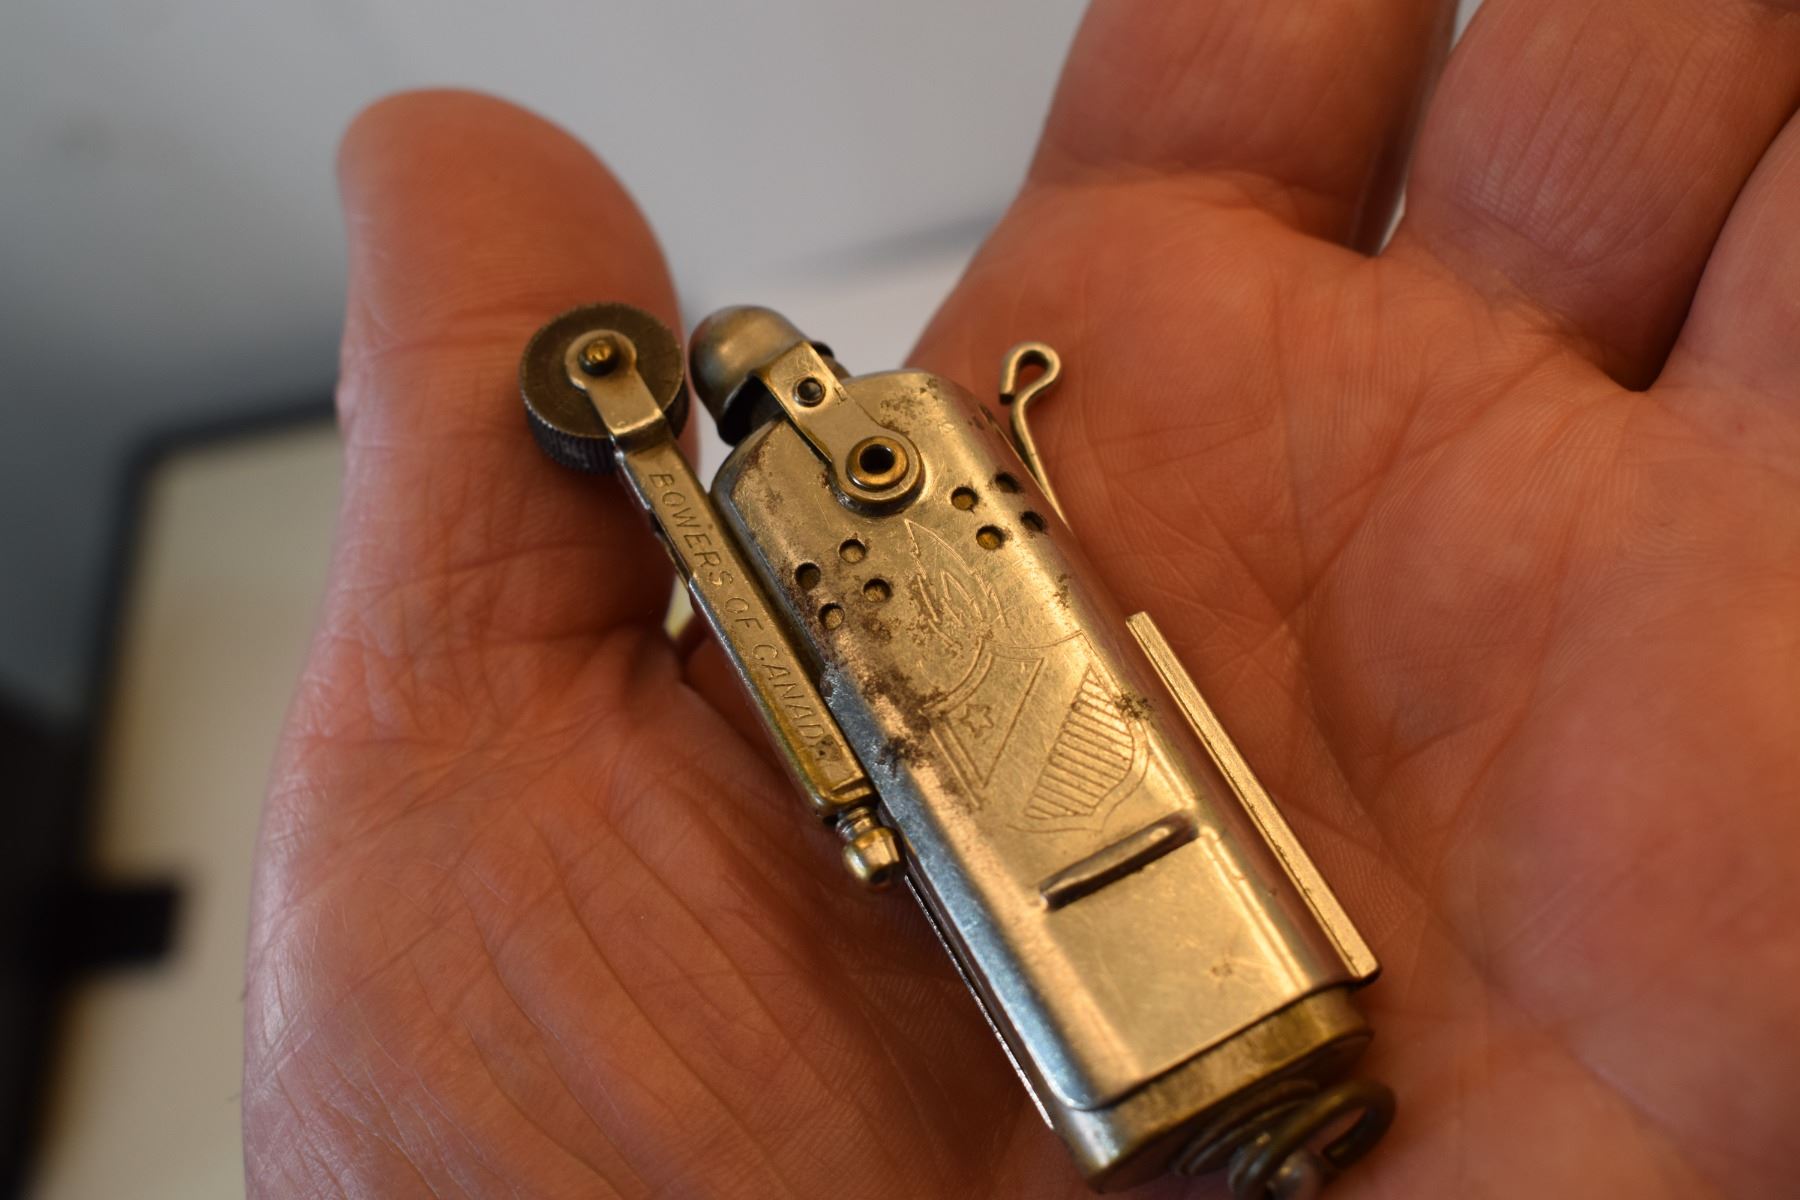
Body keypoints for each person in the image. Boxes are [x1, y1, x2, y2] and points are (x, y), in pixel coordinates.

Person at [240, 1, 1800, 1195]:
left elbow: (846, 758)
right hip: (1136, 954)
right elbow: (837, 755)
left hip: (1154, 993)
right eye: (788, 387)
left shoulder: (844, 459)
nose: (803, 394)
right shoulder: (805, 480)